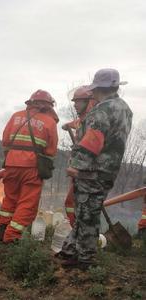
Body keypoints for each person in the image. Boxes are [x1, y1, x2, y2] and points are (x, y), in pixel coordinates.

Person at [59, 68, 132, 270]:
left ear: (99, 89)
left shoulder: (102, 110)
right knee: (85, 212)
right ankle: (71, 250)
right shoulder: (124, 108)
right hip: (108, 170)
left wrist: (76, 165)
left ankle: (85, 259)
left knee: (87, 215)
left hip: (92, 171)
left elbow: (93, 141)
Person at [0, 89, 59, 243]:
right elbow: (51, 150)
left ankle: (3, 228)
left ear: (31, 103)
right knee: (27, 203)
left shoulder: (16, 116)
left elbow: (5, 141)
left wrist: (12, 157)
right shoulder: (49, 122)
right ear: (48, 106)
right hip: (32, 167)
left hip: (11, 164)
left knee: (10, 198)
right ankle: (11, 237)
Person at [61, 86, 97, 226]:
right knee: (70, 203)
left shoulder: (93, 121)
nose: (75, 105)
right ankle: (75, 229)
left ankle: (79, 231)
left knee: (80, 205)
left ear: (90, 101)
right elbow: (76, 123)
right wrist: (67, 125)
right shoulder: (82, 120)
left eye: (78, 102)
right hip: (78, 170)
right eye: (74, 101)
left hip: (86, 172)